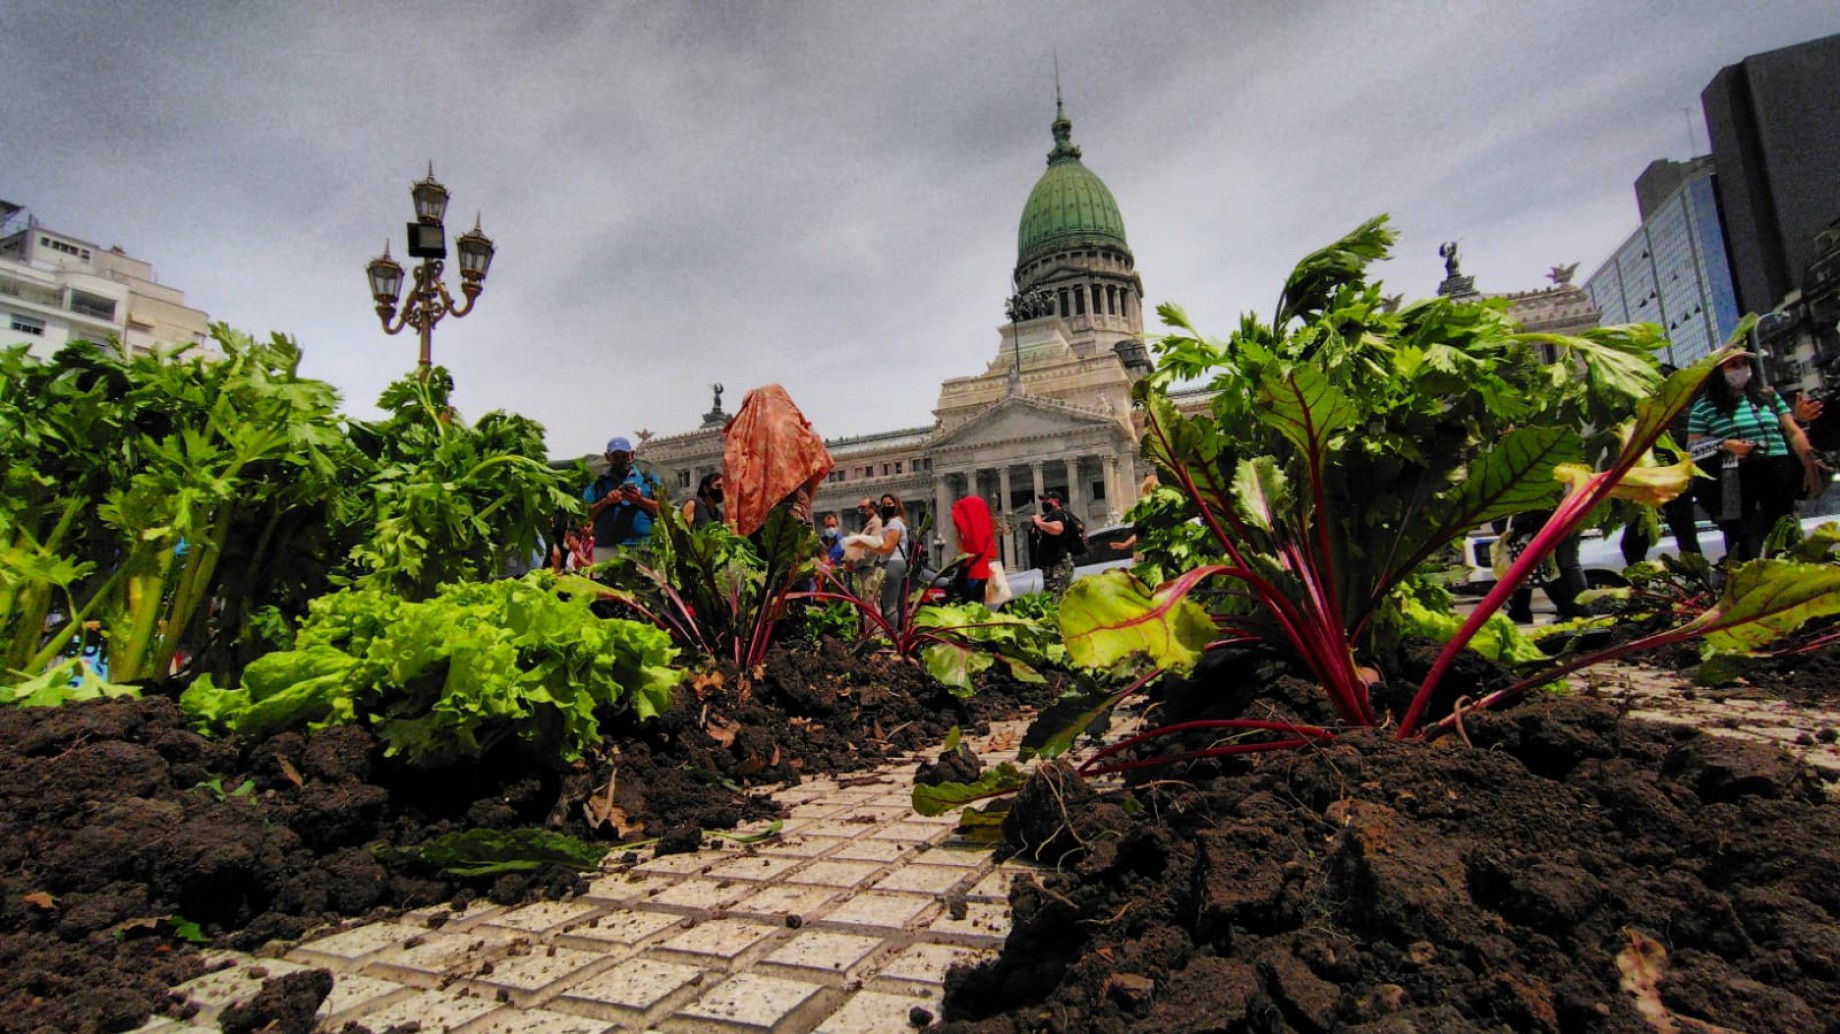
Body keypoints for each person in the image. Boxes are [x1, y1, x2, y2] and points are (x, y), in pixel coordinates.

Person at [1687, 350, 1823, 563]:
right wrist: (1725, 444)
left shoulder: (1766, 396)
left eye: (1743, 363)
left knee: (1783, 529)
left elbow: (1792, 430)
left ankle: (1789, 573)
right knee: (1740, 535)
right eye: (1732, 365)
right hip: (1735, 474)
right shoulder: (1704, 407)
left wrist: (1807, 457)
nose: (1740, 369)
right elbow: (1694, 447)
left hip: (1777, 468)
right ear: (1718, 372)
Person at [583, 436, 660, 562]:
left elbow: (663, 510)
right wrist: (606, 501)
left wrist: (639, 500)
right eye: (616, 457)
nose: (621, 461)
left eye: (624, 456)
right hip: (607, 551)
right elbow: (584, 515)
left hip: (642, 549)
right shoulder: (598, 484)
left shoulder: (649, 479)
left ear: (632, 455)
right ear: (608, 458)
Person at [866, 493, 911, 629]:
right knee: (888, 603)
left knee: (889, 604)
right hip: (890, 562)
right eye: (884, 505)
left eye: (889, 504)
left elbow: (888, 547)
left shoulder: (894, 523)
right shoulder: (892, 522)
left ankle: (892, 638)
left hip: (893, 562)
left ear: (896, 505)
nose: (886, 507)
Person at [1031, 490, 1077, 601]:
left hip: (1057, 564)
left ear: (1056, 501)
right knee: (1056, 597)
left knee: (1056, 599)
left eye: (1046, 500)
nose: (1044, 503)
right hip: (1053, 564)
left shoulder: (1059, 515)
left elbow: (1058, 528)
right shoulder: (1058, 516)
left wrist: (1040, 523)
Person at [950, 496, 995, 604]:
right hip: (983, 574)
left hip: (972, 575)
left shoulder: (970, 542)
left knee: (968, 605)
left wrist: (957, 533)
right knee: (979, 604)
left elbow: (962, 549)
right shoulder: (984, 535)